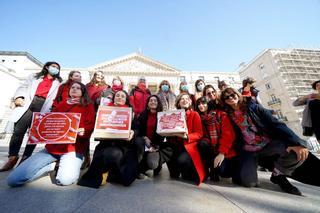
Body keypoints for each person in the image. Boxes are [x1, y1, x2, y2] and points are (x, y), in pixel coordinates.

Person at [220, 87, 309, 196]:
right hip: (249, 150)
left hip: (268, 144)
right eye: (226, 97)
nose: (230, 98)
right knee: (249, 183)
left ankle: (278, 175)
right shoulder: (228, 116)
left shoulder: (253, 107)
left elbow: (276, 123)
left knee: (297, 152)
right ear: (224, 101)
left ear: (238, 94)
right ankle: (252, 167)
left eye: (232, 95)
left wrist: (296, 143)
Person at [7, 82, 95, 186]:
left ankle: (71, 163)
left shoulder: (87, 106)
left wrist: (84, 131)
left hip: (73, 149)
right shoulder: (61, 104)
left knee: (64, 181)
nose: (74, 89)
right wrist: (37, 130)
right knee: (13, 180)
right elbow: (49, 122)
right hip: (52, 148)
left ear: (83, 92)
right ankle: (50, 166)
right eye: (72, 87)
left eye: (78, 88)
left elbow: (90, 126)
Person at [0, 62, 63, 172]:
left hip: (44, 106)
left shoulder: (59, 82)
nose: (55, 69)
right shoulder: (34, 76)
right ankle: (12, 157)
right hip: (29, 102)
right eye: (53, 66)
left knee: (34, 135)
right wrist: (19, 97)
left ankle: (25, 159)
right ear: (47, 67)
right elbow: (23, 86)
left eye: (57, 68)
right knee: (18, 131)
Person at [78, 90, 144, 188]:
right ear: (114, 98)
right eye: (117, 95)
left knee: (126, 178)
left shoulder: (130, 112)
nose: (120, 97)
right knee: (111, 153)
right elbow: (98, 126)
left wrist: (133, 132)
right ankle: (105, 171)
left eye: (122, 96)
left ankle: (114, 173)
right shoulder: (104, 110)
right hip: (107, 143)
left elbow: (137, 129)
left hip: (125, 145)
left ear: (126, 100)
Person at [165, 93, 205, 184]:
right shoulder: (172, 115)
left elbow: (199, 134)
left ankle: (187, 170)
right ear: (178, 103)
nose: (185, 100)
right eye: (182, 99)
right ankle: (177, 170)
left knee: (182, 161)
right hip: (175, 144)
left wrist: (186, 136)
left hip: (188, 145)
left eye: (187, 98)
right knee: (173, 174)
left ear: (190, 102)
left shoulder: (195, 114)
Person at [195, 97, 238, 182]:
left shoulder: (220, 115)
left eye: (203, 103)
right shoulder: (199, 118)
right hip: (211, 149)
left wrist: (222, 152)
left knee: (224, 172)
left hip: (224, 150)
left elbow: (228, 135)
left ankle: (218, 169)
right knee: (202, 144)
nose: (201, 106)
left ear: (208, 104)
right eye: (199, 104)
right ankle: (209, 170)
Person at [136, 95, 165, 178]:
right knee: (139, 147)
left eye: (155, 101)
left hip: (155, 145)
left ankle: (155, 164)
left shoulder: (162, 116)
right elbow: (139, 130)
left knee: (153, 164)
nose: (153, 102)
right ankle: (139, 169)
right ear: (148, 104)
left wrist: (155, 146)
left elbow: (162, 135)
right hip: (144, 143)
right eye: (150, 101)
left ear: (158, 103)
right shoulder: (142, 115)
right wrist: (144, 138)